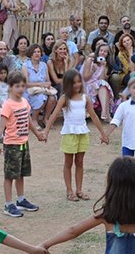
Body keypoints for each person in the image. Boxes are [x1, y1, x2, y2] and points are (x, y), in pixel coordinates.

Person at [43, 68, 109, 201]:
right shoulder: (64, 99)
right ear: (68, 84)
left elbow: (94, 116)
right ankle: (69, 191)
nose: (77, 85)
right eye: (74, 83)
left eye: (79, 82)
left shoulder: (85, 98)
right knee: (68, 163)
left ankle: (79, 190)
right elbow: (54, 115)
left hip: (82, 132)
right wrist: (46, 132)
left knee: (80, 162)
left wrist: (103, 133)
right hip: (69, 133)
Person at [0, 72, 46, 218]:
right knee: (10, 175)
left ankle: (20, 199)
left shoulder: (24, 101)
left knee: (21, 173)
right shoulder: (7, 105)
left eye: (23, 85)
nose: (21, 89)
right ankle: (8, 204)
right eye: (17, 86)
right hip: (12, 145)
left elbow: (29, 120)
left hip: (24, 143)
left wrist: (37, 133)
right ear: (10, 87)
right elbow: (1, 126)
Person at [22, 44, 57, 127]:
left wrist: (47, 84)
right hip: (30, 91)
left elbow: (48, 81)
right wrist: (40, 84)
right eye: (34, 52)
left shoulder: (44, 65)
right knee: (40, 98)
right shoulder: (25, 66)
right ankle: (34, 119)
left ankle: (46, 118)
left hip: (42, 89)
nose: (37, 54)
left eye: (38, 52)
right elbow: (25, 83)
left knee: (53, 97)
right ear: (30, 53)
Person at [82, 43, 114, 121]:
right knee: (103, 85)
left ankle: (104, 113)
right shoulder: (90, 60)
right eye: (101, 50)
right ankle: (106, 114)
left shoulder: (105, 63)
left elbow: (102, 79)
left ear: (108, 54)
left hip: (98, 85)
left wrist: (103, 66)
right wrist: (93, 70)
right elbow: (85, 78)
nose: (103, 53)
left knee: (103, 85)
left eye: (105, 52)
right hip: (87, 85)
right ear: (98, 51)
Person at [111, 33, 135, 97]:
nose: (127, 42)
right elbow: (131, 69)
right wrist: (130, 52)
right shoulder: (120, 55)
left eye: (128, 40)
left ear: (132, 40)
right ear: (122, 44)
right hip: (125, 74)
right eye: (124, 42)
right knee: (132, 76)